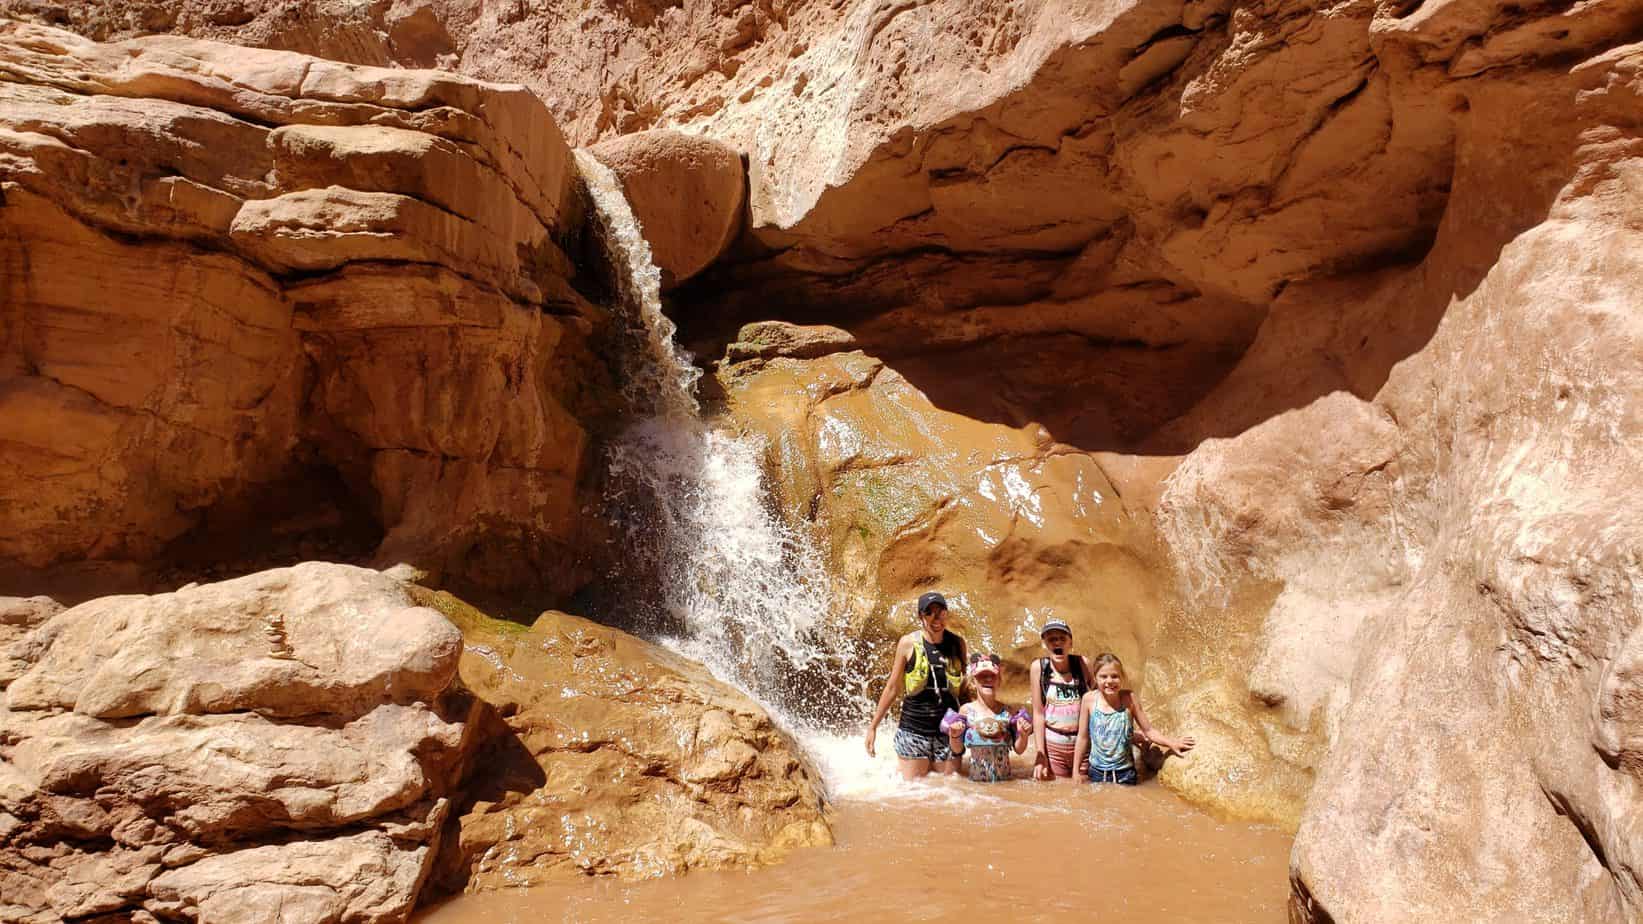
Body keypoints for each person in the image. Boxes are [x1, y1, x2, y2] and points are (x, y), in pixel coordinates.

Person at [864, 591, 969, 779]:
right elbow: (892, 688)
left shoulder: (958, 643)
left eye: (941, 612)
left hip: (947, 732)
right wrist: (873, 726)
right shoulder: (907, 644)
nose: (936, 618)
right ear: (921, 616)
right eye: (930, 613)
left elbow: (965, 688)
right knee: (915, 791)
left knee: (951, 789)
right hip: (914, 730)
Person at [1074, 653, 1196, 785]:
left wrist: (1171, 742)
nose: (1109, 681)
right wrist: (1076, 771)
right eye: (1103, 676)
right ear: (1095, 678)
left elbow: (1148, 730)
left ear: (1122, 677)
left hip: (1125, 774)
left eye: (1115, 676)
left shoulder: (1129, 698)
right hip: (1096, 773)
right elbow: (1082, 737)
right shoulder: (1089, 699)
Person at [945, 653, 1031, 782]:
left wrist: (1024, 735)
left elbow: (1019, 750)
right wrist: (954, 735)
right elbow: (957, 749)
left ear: (999, 681)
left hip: (1005, 783)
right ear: (973, 682)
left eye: (992, 676)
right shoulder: (966, 710)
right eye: (982, 676)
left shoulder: (1008, 711)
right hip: (977, 785)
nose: (988, 679)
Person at [1028, 619, 1095, 780]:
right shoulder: (1038, 668)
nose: (1057, 642)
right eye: (1052, 639)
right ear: (1045, 644)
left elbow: (1098, 702)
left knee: (1084, 793)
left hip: (1083, 745)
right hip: (1053, 748)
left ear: (1070, 643)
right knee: (1059, 795)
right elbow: (1038, 713)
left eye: (1062, 639)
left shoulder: (1082, 664)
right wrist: (1041, 754)